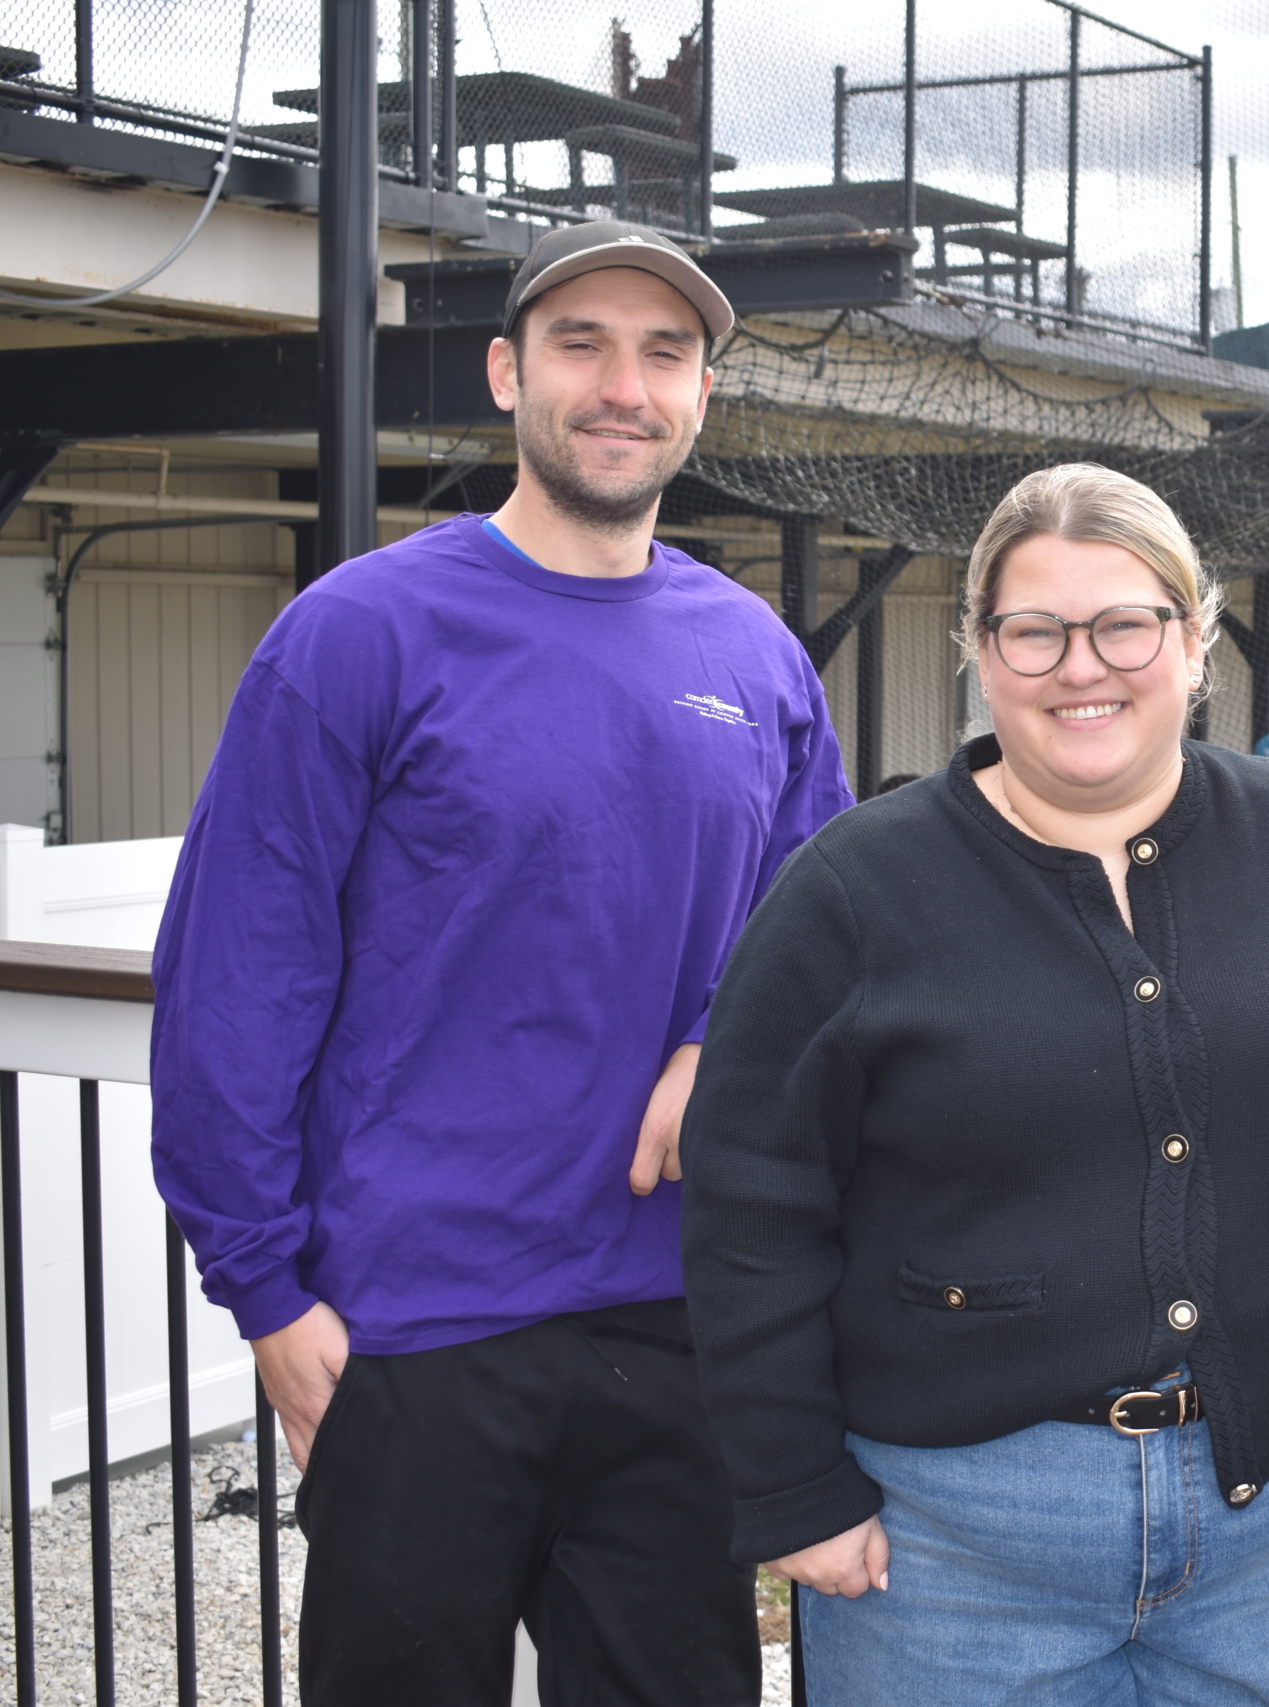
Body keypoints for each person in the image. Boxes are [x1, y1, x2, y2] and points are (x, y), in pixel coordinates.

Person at [151, 220, 853, 1707]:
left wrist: (719, 1041)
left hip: (674, 1319)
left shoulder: (756, 655)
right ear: (504, 373)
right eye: (580, 344)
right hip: (414, 1326)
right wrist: (266, 1291)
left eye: (665, 353)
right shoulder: (357, 633)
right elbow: (238, 975)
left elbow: (819, 933)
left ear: (704, 394)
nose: (623, 386)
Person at [680, 463, 1269, 1705]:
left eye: (1125, 625)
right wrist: (792, 1485)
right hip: (953, 1545)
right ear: (981, 653)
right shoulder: (854, 893)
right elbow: (750, 1199)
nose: (1081, 667)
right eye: (1034, 631)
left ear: (1193, 642)